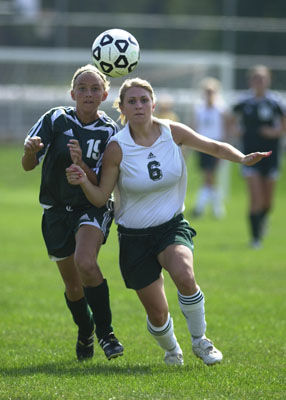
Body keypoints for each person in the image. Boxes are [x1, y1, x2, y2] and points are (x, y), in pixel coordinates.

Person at [66, 78, 271, 366]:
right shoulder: (117, 147)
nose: (139, 105)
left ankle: (201, 341)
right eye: (132, 101)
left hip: (171, 227)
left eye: (144, 99)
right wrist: (82, 180)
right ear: (122, 107)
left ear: (153, 103)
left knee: (185, 275)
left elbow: (213, 146)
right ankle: (172, 348)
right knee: (158, 314)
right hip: (134, 238)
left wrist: (242, 158)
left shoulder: (171, 132)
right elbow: (101, 197)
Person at [21, 64, 124, 361]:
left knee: (86, 263)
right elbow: (29, 165)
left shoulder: (110, 131)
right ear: (72, 93)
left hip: (90, 206)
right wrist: (30, 151)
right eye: (83, 88)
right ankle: (85, 330)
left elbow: (104, 183)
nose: (88, 94)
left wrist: (83, 168)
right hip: (54, 210)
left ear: (105, 94)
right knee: (73, 285)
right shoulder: (55, 118)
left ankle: (106, 334)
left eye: (95, 89)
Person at [231, 65, 286, 248]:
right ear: (251, 82)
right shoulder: (244, 102)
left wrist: (274, 132)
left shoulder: (276, 102)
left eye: (262, 79)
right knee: (255, 198)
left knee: (267, 202)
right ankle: (255, 239)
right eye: (256, 79)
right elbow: (229, 119)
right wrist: (235, 131)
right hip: (250, 156)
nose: (259, 82)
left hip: (271, 156)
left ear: (268, 80)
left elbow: (283, 126)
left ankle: (262, 220)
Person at [192, 77, 230, 219]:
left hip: (216, 145)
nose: (209, 94)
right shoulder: (199, 108)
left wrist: (226, 144)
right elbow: (194, 127)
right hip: (202, 145)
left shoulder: (221, 109)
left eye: (211, 91)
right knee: (208, 176)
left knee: (210, 176)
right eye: (207, 91)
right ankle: (215, 208)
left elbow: (227, 126)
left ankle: (202, 207)